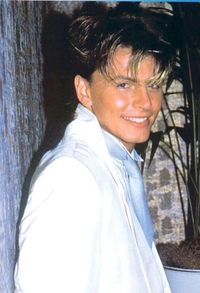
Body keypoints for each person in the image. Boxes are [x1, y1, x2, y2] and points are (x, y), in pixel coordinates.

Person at [14, 3, 173, 292]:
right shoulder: (70, 175)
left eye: (153, 85)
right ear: (85, 91)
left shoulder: (116, 162)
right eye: (124, 85)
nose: (146, 103)